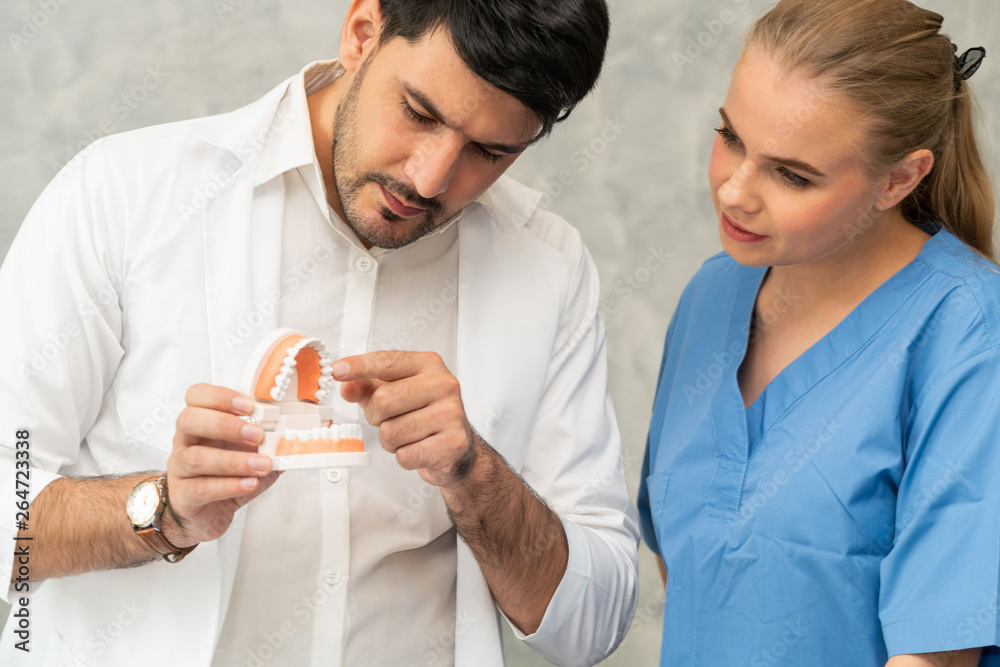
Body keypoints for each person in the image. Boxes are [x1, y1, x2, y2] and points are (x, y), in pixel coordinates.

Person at [0, 0, 639, 665]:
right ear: (362, 33)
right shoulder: (125, 197)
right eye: (419, 113)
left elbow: (591, 626)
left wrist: (476, 477)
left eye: (488, 150)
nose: (429, 178)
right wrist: (164, 510)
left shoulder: (550, 268)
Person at [638, 0, 999, 664]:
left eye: (792, 174)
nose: (734, 191)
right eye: (730, 137)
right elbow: (695, 571)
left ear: (900, 178)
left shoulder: (968, 332)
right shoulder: (710, 296)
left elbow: (939, 649)